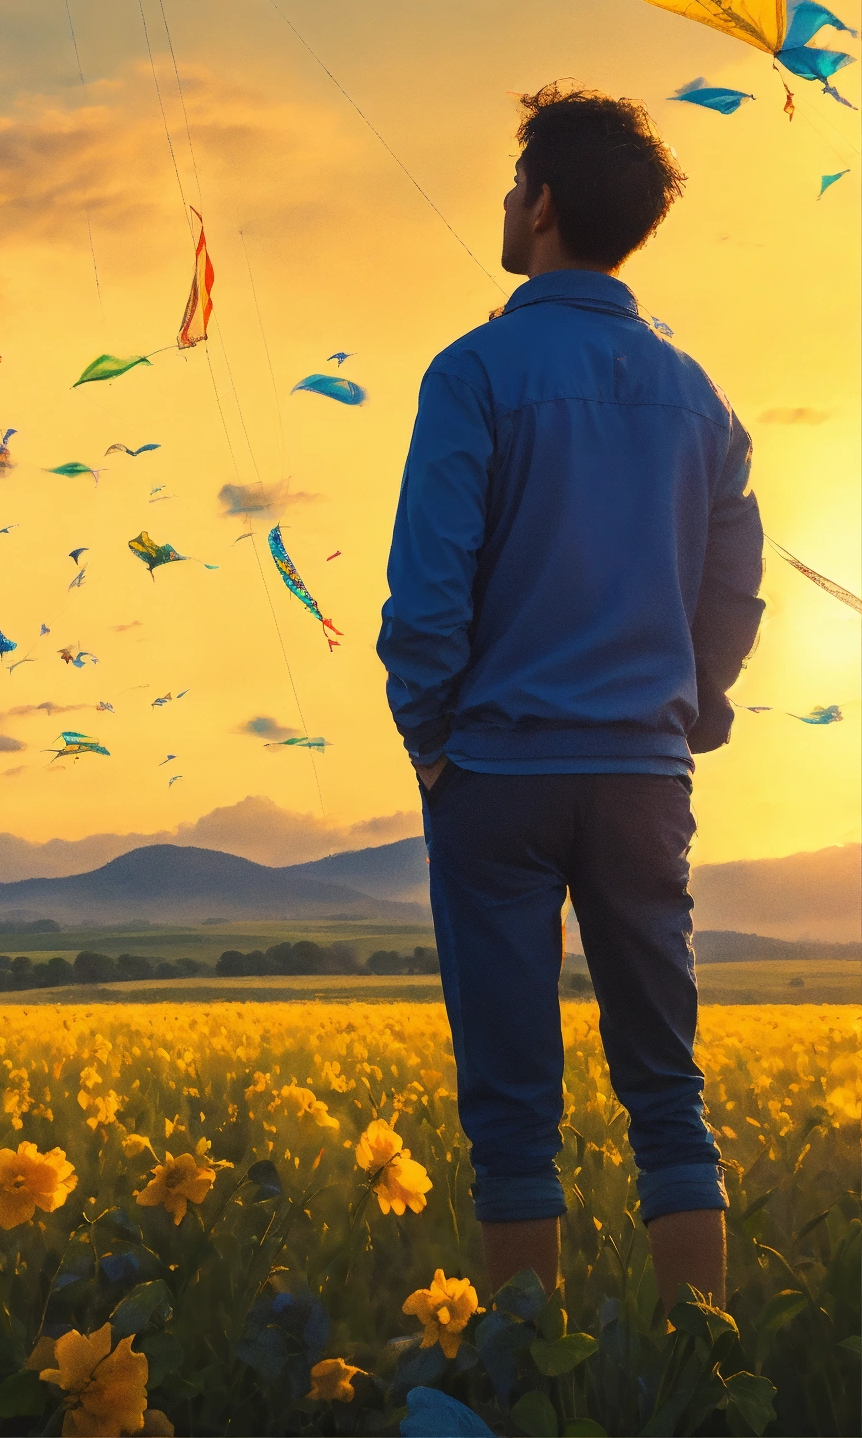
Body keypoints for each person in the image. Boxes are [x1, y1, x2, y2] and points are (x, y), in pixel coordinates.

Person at [378, 84, 764, 1319]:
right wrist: (690, 711)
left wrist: (432, 740)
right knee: (666, 1087)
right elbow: (733, 579)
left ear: (539, 204)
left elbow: (426, 591)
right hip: (644, 774)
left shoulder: (473, 369)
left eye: (511, 184)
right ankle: (704, 1369)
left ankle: (520, 1378)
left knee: (510, 1109)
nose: (504, 201)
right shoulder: (698, 395)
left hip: (496, 768)